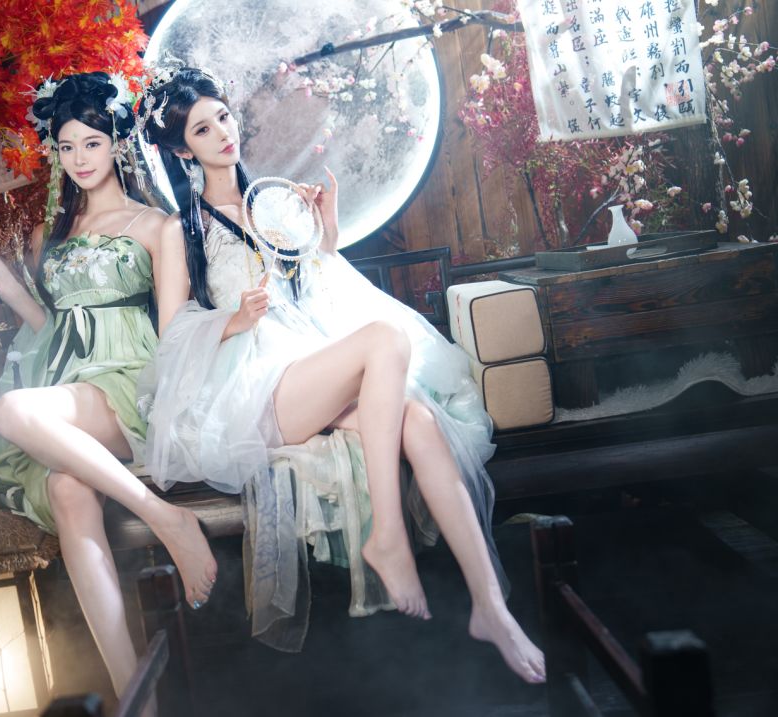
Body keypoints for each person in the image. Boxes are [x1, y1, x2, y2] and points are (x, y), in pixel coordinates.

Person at [137, 67, 544, 683]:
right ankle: (389, 535)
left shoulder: (271, 202)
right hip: (253, 386)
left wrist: (325, 233)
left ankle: (491, 607)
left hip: (308, 362)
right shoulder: (180, 229)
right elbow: (171, 337)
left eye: (223, 116)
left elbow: (315, 287)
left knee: (420, 422)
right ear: (182, 149)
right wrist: (232, 319)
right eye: (202, 129)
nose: (222, 132)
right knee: (384, 338)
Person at [0, 71, 216, 698]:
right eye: (66, 147)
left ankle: (168, 518)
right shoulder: (51, 234)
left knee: (12, 411)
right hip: (68, 391)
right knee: (66, 490)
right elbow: (54, 331)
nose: (79, 159)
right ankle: (134, 696)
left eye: (91, 144)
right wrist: (11, 290)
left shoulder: (157, 226)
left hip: (126, 385)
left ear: (116, 143)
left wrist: (176, 406)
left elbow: (173, 332)